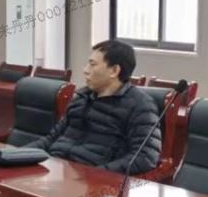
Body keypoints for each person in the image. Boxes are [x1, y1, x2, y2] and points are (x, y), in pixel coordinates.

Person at [30, 39, 160, 173]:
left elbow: (145, 157)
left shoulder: (140, 106)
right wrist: (20, 154)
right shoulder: (81, 97)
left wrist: (96, 175)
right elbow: (51, 139)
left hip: (92, 178)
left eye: (92, 65)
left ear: (114, 70)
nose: (85, 70)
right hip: (56, 169)